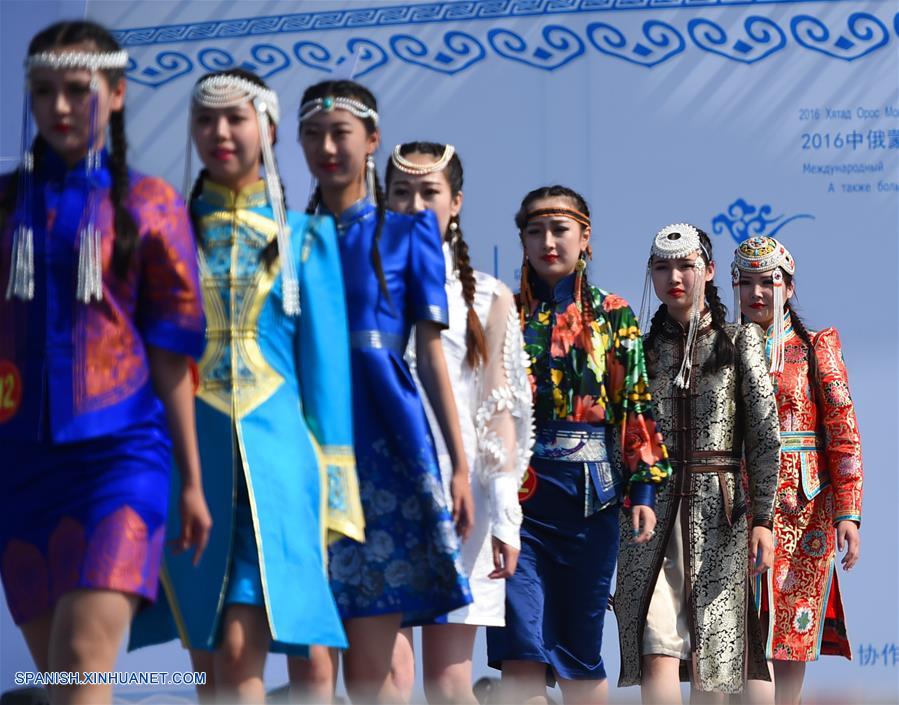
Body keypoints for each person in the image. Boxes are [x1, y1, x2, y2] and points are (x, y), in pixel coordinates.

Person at [128, 69, 363, 703]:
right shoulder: (161, 232)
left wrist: (338, 490)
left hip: (280, 462)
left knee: (271, 645)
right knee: (204, 649)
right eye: (206, 120)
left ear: (269, 128)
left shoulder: (307, 240)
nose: (220, 133)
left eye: (236, 118)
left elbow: (326, 379)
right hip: (185, 457)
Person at [0, 20, 209, 705]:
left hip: (120, 458)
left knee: (80, 674)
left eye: (77, 91)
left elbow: (171, 349)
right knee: (67, 685)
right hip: (20, 466)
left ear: (116, 95)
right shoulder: (6, 205)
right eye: (43, 92)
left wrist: (191, 480)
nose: (59, 107)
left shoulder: (152, 205)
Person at [295, 81, 473, 703]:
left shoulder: (409, 233)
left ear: (371, 140)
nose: (327, 146)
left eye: (340, 132)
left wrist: (458, 464)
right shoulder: (290, 237)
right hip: (304, 438)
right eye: (313, 134)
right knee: (312, 653)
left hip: (388, 439)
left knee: (372, 661)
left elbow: (428, 356)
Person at [486, 185, 671, 705]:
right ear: (521, 240)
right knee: (520, 643)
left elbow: (635, 404)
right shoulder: (502, 311)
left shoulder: (613, 315)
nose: (548, 241)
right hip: (515, 499)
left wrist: (644, 492)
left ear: (584, 237)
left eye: (560, 229)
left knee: (578, 646)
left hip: (589, 501)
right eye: (535, 231)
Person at [385, 142, 534, 704]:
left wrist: (504, 514)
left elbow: (500, 411)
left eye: (430, 192)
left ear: (457, 202)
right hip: (381, 488)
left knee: (448, 685)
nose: (416, 204)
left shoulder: (488, 295)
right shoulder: (362, 283)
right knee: (387, 679)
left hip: (461, 495)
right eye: (401, 192)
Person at [614, 223, 780, 702]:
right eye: (662, 268)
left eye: (686, 266)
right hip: (650, 514)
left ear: (708, 271)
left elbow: (764, 438)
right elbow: (627, 433)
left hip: (720, 511)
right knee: (655, 642)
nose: (675, 278)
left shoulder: (740, 339)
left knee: (715, 653)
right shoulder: (641, 351)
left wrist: (764, 518)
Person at [733, 236, 862, 705]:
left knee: (792, 624)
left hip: (804, 505)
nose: (757, 293)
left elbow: (843, 433)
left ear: (789, 286)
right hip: (737, 503)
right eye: (745, 283)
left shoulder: (815, 348)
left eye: (768, 282)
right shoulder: (722, 349)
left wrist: (848, 511)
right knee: (744, 627)